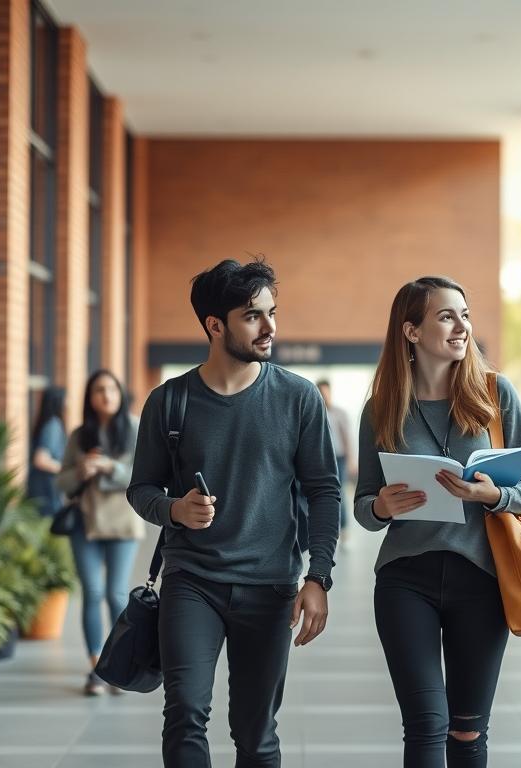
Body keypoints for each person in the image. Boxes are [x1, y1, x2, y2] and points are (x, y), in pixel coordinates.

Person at [127, 257, 340, 768]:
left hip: (269, 587)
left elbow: (324, 491)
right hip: (191, 582)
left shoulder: (298, 398)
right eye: (253, 315)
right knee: (184, 714)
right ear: (214, 325)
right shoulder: (169, 401)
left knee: (256, 731)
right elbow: (141, 490)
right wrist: (175, 509)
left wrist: (320, 578)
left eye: (272, 312)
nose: (270, 327)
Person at [354, 276, 521, 768]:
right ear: (412, 332)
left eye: (464, 314)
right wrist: (382, 507)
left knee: (466, 733)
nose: (462, 326)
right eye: (446, 316)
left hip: (482, 579)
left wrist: (495, 494)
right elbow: (362, 506)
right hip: (405, 579)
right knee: (424, 726)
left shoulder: (494, 394)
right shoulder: (381, 408)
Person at [55, 370, 143, 696]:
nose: (105, 395)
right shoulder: (80, 435)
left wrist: (108, 467)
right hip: (85, 523)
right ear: (90, 398)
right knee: (92, 592)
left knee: (115, 594)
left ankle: (118, 666)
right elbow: (60, 482)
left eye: (111, 389)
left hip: (122, 521)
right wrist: (81, 470)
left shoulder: (135, 428)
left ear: (120, 395)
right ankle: (96, 668)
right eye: (98, 390)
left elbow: (145, 475)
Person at [316, 379, 356, 531]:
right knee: (322, 493)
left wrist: (351, 460)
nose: (324, 395)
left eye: (326, 392)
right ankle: (326, 528)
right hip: (321, 458)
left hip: (339, 458)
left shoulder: (340, 413)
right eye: (321, 392)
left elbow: (347, 438)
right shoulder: (315, 412)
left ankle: (343, 527)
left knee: (339, 492)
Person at [26, 387, 67, 518]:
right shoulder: (53, 425)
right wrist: (67, 469)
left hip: (41, 486)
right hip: (47, 489)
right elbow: (41, 460)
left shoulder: (46, 423)